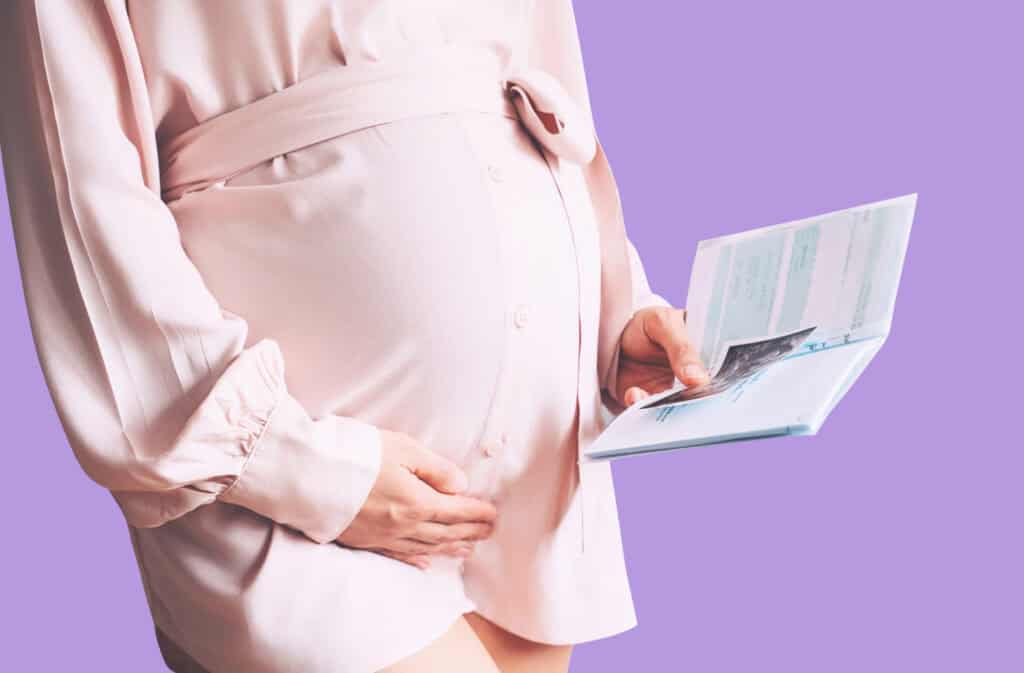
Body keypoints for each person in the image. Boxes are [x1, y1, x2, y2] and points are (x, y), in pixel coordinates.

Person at [0, 2, 710, 672]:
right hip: (284, 473)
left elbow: (543, 73)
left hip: (534, 459)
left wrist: (614, 311)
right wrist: (304, 469)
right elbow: (85, 199)